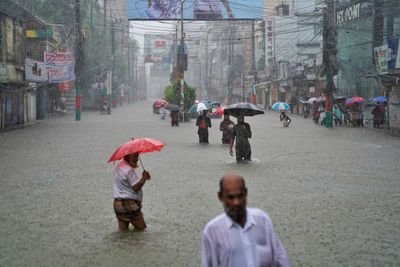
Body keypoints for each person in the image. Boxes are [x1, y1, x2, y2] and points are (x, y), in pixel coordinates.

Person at [201, 174, 291, 267]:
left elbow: (280, 257)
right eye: (231, 197)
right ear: (220, 196)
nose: (236, 203)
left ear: (246, 193)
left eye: (240, 196)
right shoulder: (212, 231)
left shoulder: (263, 221)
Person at [113, 153, 151, 231]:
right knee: (142, 230)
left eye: (137, 156)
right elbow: (136, 187)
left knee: (123, 233)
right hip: (129, 204)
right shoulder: (129, 170)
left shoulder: (119, 167)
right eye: (135, 156)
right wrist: (144, 177)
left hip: (118, 204)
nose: (137, 158)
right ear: (128, 156)